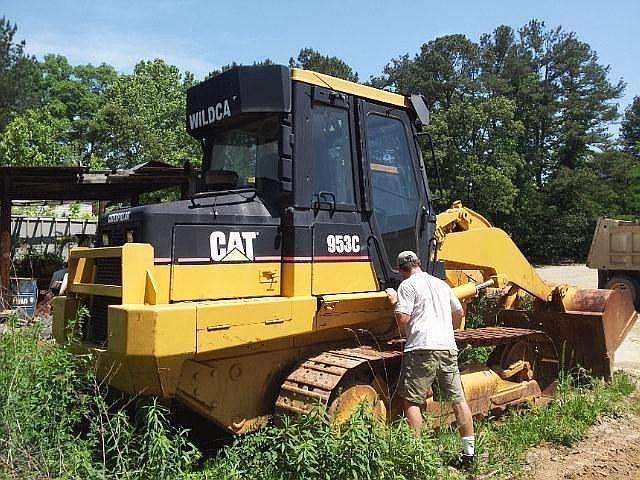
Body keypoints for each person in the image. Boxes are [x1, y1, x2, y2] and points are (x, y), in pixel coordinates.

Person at [386, 250, 475, 466]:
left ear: (400, 270)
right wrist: (444, 326)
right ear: (418, 263)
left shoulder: (407, 285)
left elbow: (403, 318)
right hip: (447, 347)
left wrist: (395, 301)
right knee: (458, 400)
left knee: (412, 401)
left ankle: (417, 456)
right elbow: (459, 313)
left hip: (421, 348)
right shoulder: (441, 284)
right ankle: (469, 454)